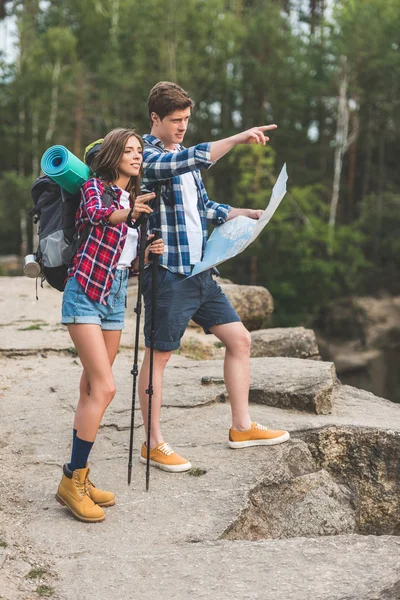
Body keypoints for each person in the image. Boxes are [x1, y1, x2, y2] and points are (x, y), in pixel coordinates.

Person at [138, 82, 290, 473]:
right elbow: (191, 159)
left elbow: (205, 207)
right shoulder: (146, 157)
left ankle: (241, 426)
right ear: (155, 118)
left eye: (187, 120)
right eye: (175, 120)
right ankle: (153, 444)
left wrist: (247, 213)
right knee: (159, 357)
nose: (182, 127)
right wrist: (239, 138)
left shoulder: (179, 155)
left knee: (240, 340)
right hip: (167, 273)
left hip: (201, 272)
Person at [56, 128, 164, 522]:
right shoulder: (95, 188)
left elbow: (128, 263)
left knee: (91, 388)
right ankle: (73, 480)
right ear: (114, 153)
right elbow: (97, 218)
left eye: (140, 151)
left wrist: (147, 254)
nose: (137, 157)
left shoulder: (133, 200)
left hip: (116, 297)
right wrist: (128, 213)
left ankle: (78, 476)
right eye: (131, 150)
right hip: (84, 291)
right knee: (106, 386)